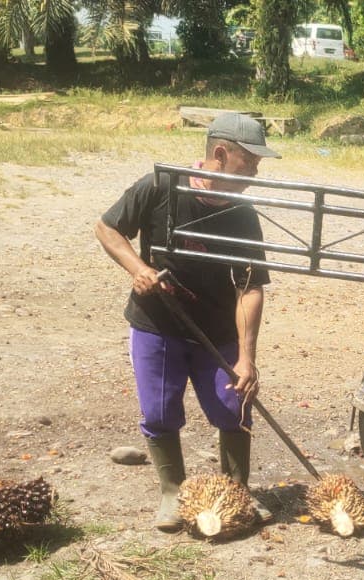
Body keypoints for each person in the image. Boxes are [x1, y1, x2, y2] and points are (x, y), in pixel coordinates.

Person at [94, 113, 279, 532]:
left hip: (217, 332)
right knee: (159, 410)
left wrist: (247, 358)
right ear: (220, 153)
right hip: (158, 324)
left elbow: (250, 287)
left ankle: (237, 490)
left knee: (234, 405)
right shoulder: (161, 186)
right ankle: (172, 491)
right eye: (249, 162)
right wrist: (137, 268)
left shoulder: (243, 216)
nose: (254, 173)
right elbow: (106, 227)